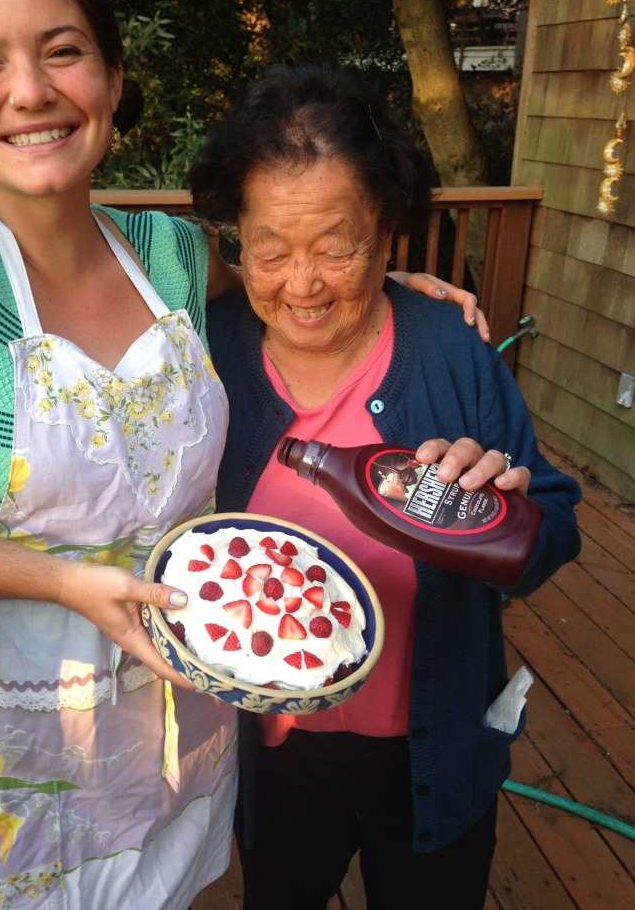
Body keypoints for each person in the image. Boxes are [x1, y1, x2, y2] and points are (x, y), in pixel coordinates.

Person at [0, 0, 485, 910]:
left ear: (113, 79)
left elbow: (304, 268)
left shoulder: (171, 253)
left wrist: (393, 281)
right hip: (16, 763)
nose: (30, 89)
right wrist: (65, 582)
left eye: (62, 50)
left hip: (185, 727)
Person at [189, 60, 582, 910]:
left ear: (388, 232)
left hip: (431, 752)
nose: (303, 283)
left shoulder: (449, 348)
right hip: (277, 752)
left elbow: (553, 524)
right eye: (271, 249)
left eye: (338, 246)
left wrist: (502, 509)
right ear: (235, 241)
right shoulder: (206, 350)